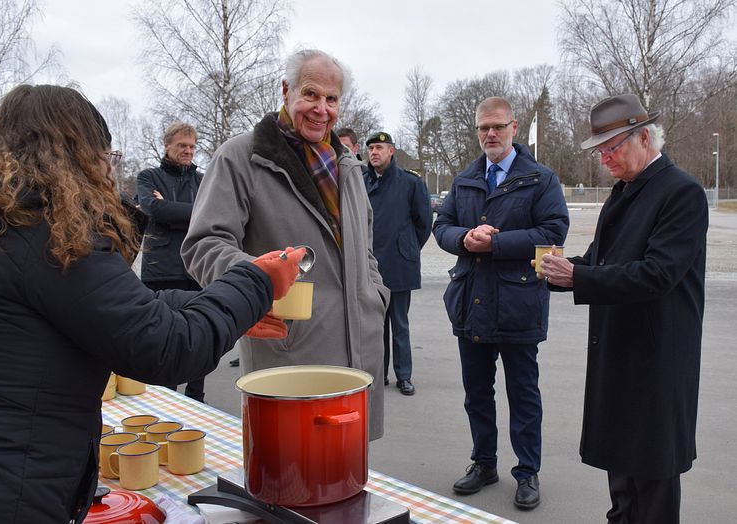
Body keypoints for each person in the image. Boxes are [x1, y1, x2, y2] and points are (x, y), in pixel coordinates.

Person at [0, 84, 304, 523]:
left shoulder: (11, 225)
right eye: (104, 156)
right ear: (80, 154)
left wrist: (222, 304)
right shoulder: (47, 236)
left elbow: (122, 308)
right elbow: (168, 348)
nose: (107, 169)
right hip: (18, 489)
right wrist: (255, 282)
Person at [181, 49, 389, 440]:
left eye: (332, 99)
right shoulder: (241, 157)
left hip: (360, 349)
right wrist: (253, 285)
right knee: (292, 472)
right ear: (286, 90)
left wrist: (374, 296)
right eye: (310, 94)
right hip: (290, 348)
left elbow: (365, 251)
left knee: (347, 473)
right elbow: (204, 244)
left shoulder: (348, 166)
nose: (321, 109)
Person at [539, 93, 708, 523]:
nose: (604, 159)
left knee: (652, 482)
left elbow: (657, 274)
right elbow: (600, 263)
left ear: (645, 138)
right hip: (619, 353)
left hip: (657, 361)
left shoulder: (681, 193)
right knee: (622, 482)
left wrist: (579, 278)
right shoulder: (624, 192)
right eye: (600, 151)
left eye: (611, 148)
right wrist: (559, 271)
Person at [433, 96, 568, 509]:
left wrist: (496, 242)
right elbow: (442, 226)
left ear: (513, 127)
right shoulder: (465, 178)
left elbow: (553, 232)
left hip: (518, 303)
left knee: (523, 393)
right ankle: (484, 463)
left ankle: (527, 472)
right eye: (482, 128)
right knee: (477, 393)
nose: (490, 134)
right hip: (471, 301)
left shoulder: (540, 179)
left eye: (497, 126)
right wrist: (463, 238)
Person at [137, 122, 208, 401]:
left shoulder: (203, 181)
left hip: (196, 268)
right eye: (182, 145)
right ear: (167, 145)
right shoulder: (148, 176)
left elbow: (211, 213)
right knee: (165, 337)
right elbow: (153, 209)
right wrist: (192, 212)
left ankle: (196, 398)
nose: (188, 151)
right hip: (161, 270)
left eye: (192, 146)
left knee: (200, 334)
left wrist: (170, 209)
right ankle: (167, 400)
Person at [364, 131, 431, 395]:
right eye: (370, 148)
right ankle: (379, 375)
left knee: (399, 324)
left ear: (392, 151)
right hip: (370, 265)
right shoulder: (360, 181)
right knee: (375, 324)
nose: (373, 152)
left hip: (399, 263)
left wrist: (408, 248)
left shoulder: (410, 183)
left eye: (379, 147)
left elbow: (423, 222)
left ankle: (404, 375)